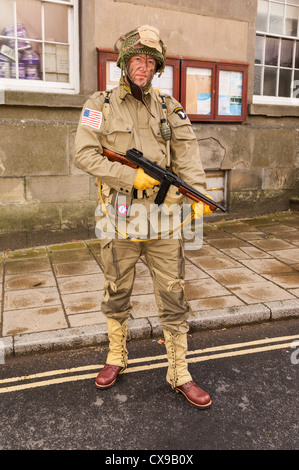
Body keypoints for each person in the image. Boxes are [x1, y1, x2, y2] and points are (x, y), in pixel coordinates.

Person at [74, 25, 213, 409]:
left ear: (157, 67)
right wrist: (126, 174)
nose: (144, 66)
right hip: (118, 217)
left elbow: (188, 157)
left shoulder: (171, 108)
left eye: (150, 61)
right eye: (137, 59)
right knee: (116, 290)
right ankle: (117, 356)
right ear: (123, 63)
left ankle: (179, 371)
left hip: (164, 221)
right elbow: (84, 154)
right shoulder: (97, 105)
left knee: (174, 294)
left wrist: (197, 194)